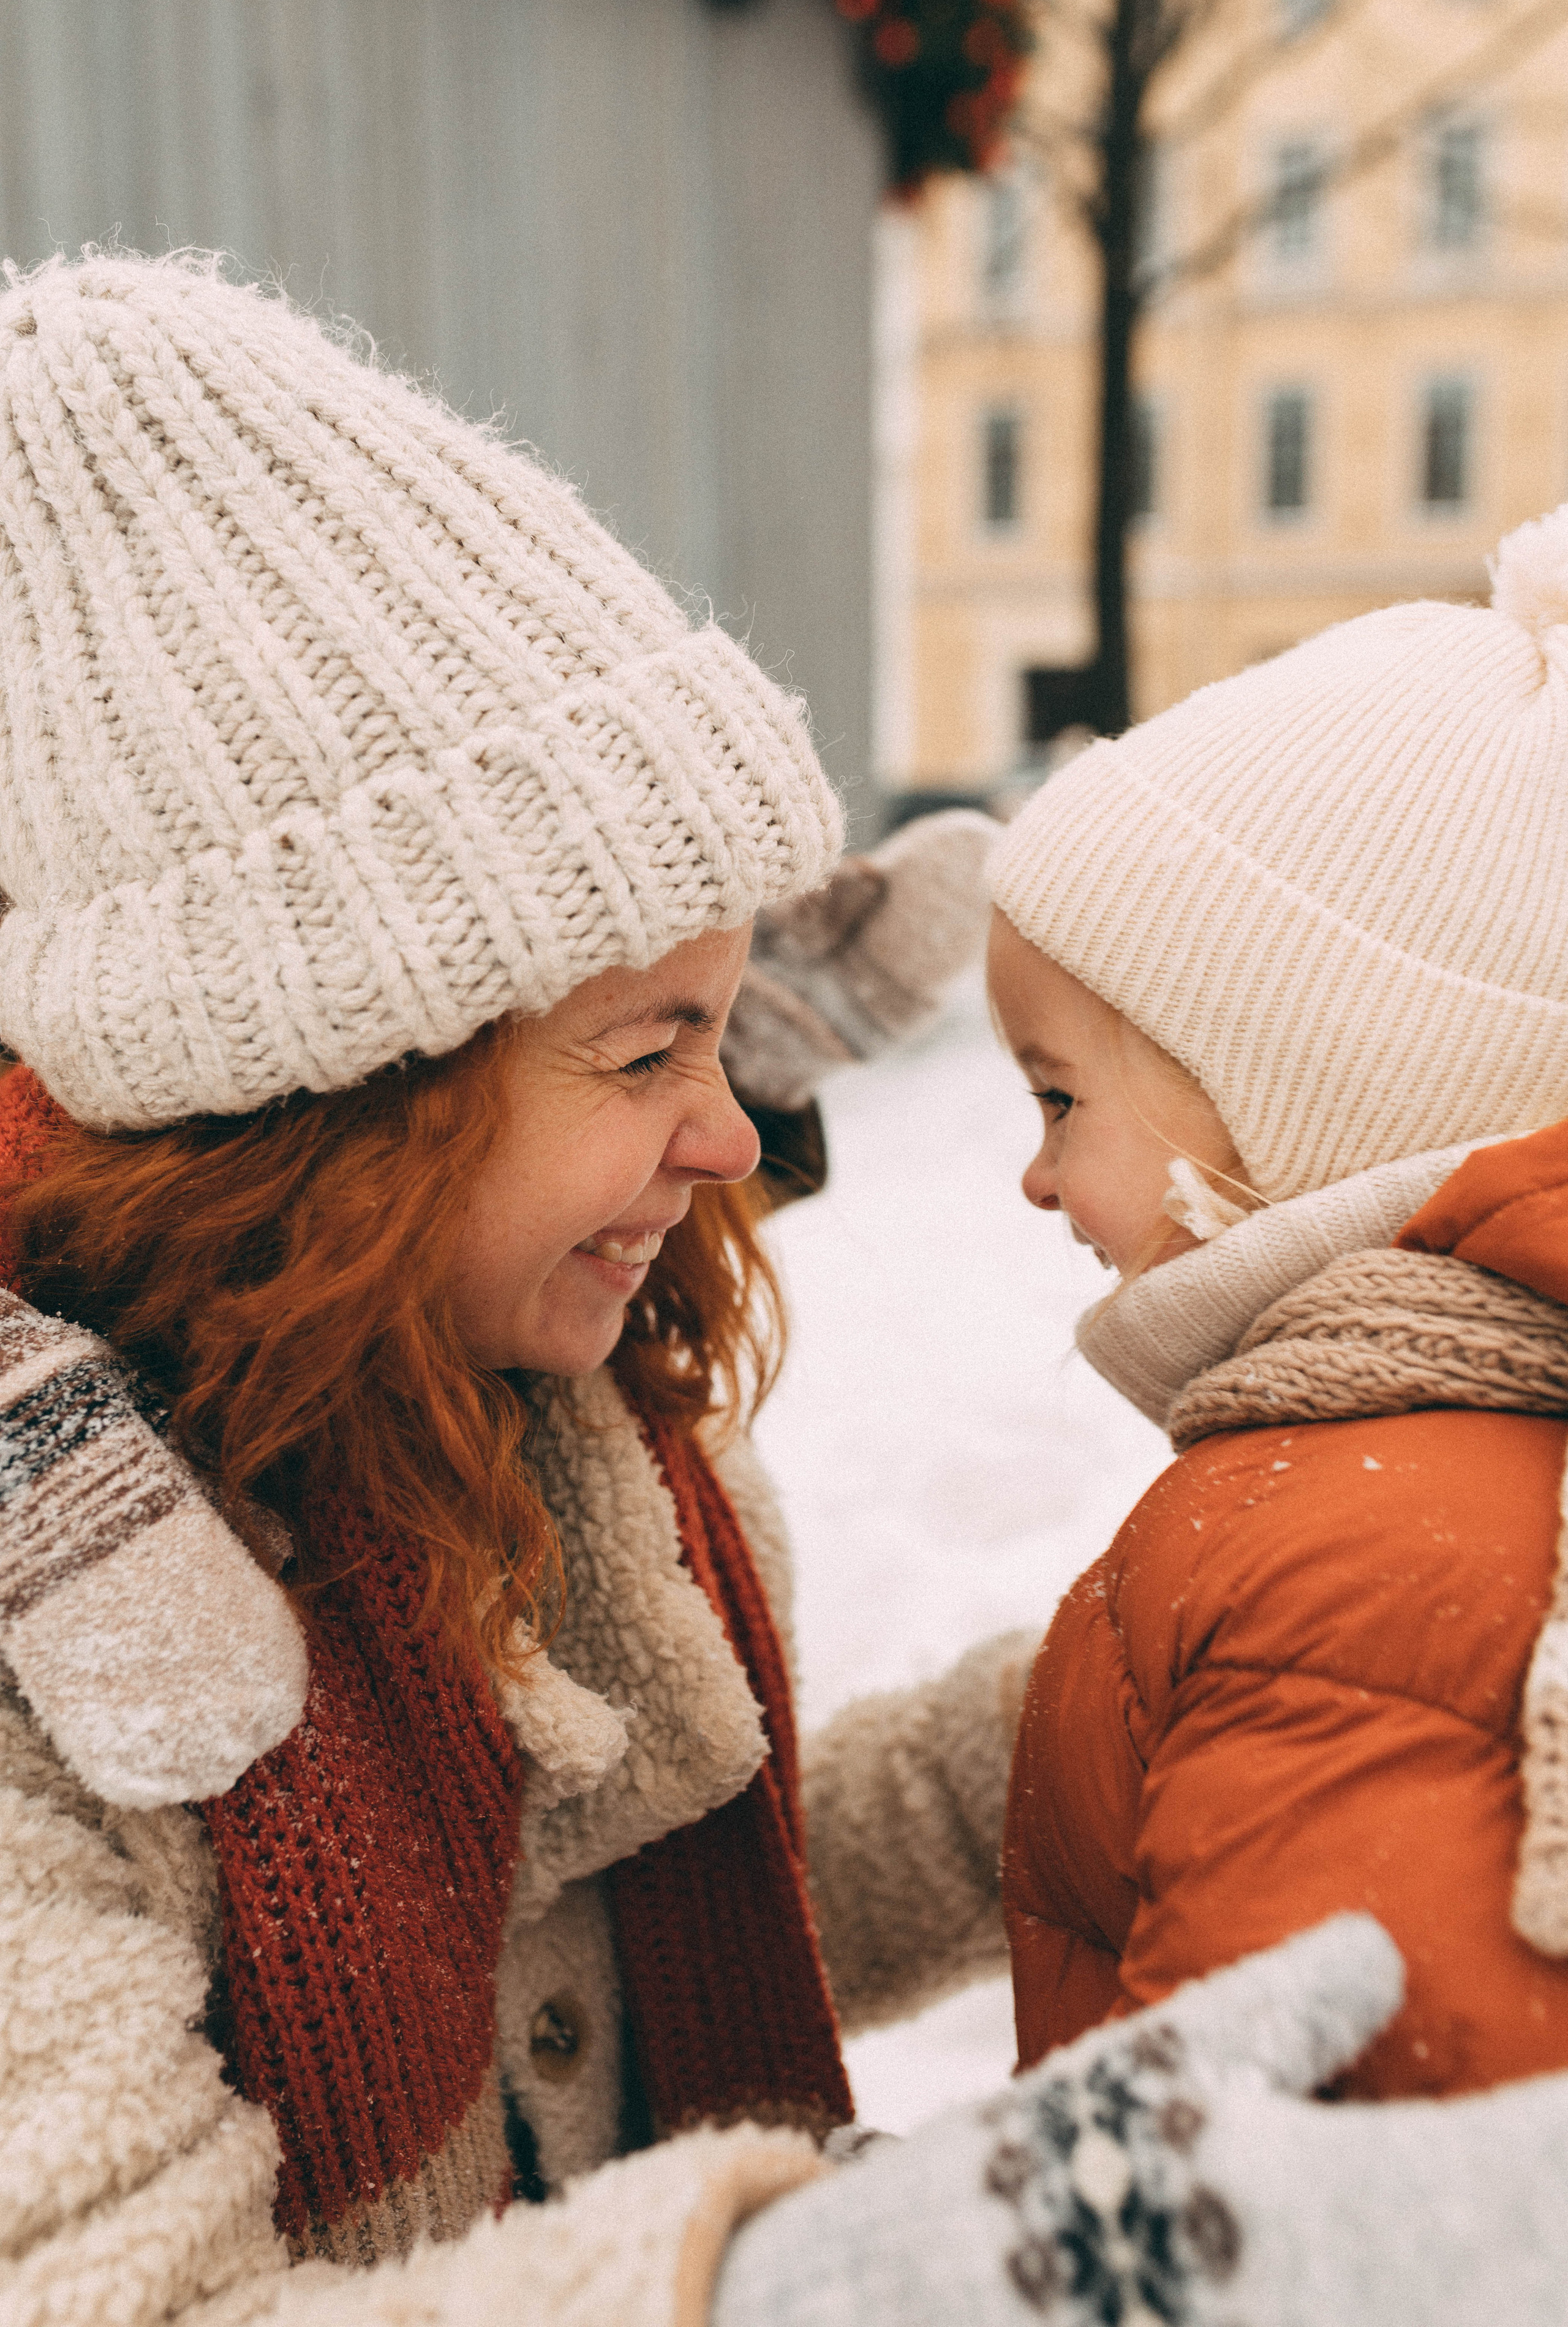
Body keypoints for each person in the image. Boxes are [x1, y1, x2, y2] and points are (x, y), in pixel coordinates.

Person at [0, 251, 1030, 2327]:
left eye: (725, 1037)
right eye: (649, 1051)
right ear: (337, 1102)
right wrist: (819, 2280)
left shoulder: (568, 1447)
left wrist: (1124, 1704)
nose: (735, 1139)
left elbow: (623, 1950)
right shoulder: (60, 1638)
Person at [702, 505, 1568, 2327]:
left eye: (1058, 1096)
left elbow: (1303, 2196)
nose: (1029, 1180)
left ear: (1303, 1085)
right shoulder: (1409, 1468)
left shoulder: (1345, 1531)